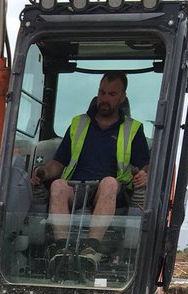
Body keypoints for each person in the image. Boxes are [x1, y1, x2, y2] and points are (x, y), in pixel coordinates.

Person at [31, 72, 150, 272]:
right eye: (102, 92)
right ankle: (61, 250)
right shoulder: (78, 124)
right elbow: (58, 163)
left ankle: (90, 250)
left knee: (109, 183)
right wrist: (43, 172)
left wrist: (145, 174)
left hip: (111, 191)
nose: (105, 98)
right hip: (77, 187)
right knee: (58, 185)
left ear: (122, 97)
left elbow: (146, 164)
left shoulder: (133, 129)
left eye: (112, 94)